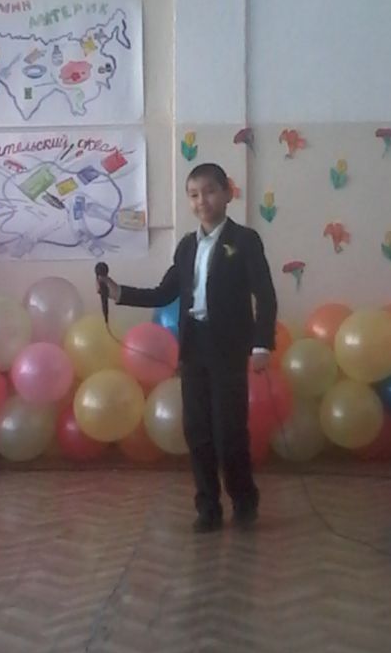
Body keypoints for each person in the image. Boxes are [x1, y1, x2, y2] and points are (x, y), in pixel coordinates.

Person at [99, 163, 277, 533]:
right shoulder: (186, 246)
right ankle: (207, 507)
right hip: (194, 346)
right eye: (194, 195)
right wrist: (119, 292)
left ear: (227, 193)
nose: (202, 201)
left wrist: (262, 343)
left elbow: (265, 295)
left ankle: (244, 500)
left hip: (229, 346)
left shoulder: (245, 240)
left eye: (209, 191)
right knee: (197, 429)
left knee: (229, 431)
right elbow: (164, 293)